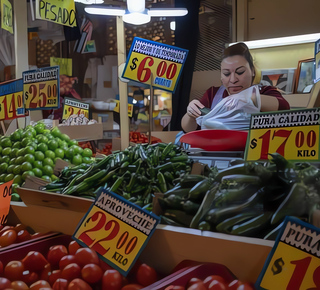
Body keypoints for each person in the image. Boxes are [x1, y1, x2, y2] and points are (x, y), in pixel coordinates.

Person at [181, 42, 290, 133]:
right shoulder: (213, 94)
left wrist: (246, 97)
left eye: (240, 72)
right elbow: (189, 129)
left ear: (252, 71)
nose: (233, 79)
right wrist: (190, 114)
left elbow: (284, 108)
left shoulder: (264, 91)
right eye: (226, 74)